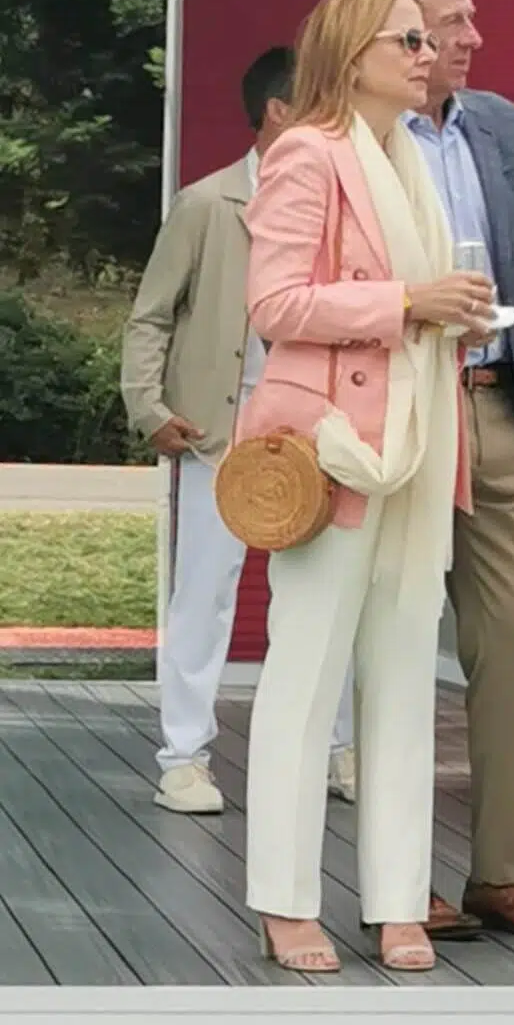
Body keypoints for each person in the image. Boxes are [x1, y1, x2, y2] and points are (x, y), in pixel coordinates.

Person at [236, 0, 497, 973]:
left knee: (400, 681)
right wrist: (408, 301)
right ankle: (283, 898)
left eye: (429, 43)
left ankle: (396, 899)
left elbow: (414, 305)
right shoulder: (308, 153)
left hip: (419, 448)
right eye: (410, 42)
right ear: (355, 54)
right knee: (304, 680)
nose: (430, 56)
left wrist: (449, 314)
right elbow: (277, 305)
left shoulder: (411, 163)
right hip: (340, 449)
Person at [370, 0, 514, 942]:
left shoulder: (501, 124)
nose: (471, 38)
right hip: (411, 414)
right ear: (399, 32)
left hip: (506, 412)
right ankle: (401, 882)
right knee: (403, 645)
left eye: (467, 19)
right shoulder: (357, 134)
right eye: (451, 22)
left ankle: (502, 871)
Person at [120, 46, 357, 815]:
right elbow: (151, 315)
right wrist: (149, 409)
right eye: (317, 103)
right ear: (279, 113)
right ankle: (184, 757)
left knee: (327, 593)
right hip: (216, 434)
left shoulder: (340, 204)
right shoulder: (207, 202)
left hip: (314, 432)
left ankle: (337, 747)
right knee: (204, 595)